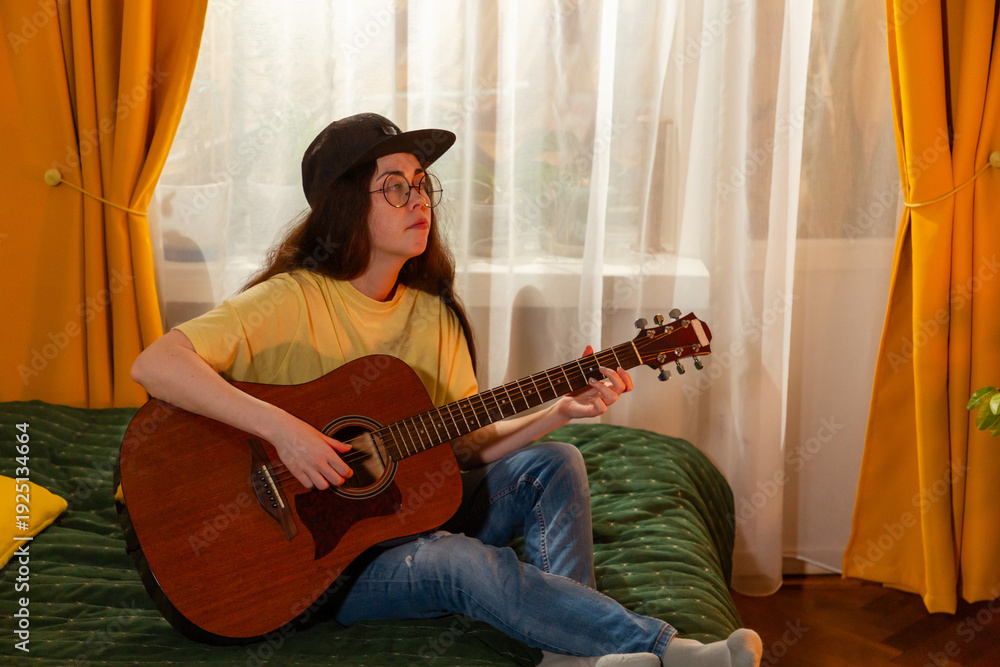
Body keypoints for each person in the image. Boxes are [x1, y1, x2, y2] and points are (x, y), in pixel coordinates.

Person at [130, 112, 762, 667]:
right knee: (456, 560)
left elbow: (462, 451)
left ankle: (570, 653)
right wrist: (285, 432)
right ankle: (663, 649)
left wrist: (558, 413)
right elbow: (158, 364)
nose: (419, 200)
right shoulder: (288, 299)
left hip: (406, 516)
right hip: (328, 568)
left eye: (422, 185)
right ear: (349, 204)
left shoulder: (434, 316)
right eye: (395, 187)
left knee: (555, 462)